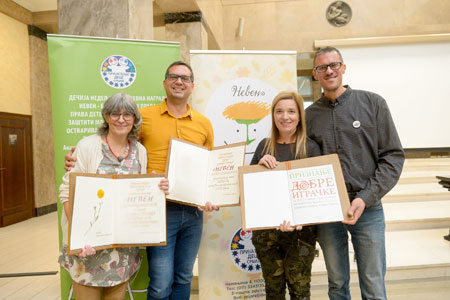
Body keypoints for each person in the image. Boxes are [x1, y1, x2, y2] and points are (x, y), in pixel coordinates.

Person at [65, 61, 217, 300]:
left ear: (192, 86)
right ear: (165, 83)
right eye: (173, 76)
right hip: (158, 209)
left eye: (185, 78)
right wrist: (74, 159)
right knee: (160, 281)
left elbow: (209, 167)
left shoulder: (204, 123)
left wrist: (211, 195)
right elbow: (111, 139)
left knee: (184, 276)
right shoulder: (143, 116)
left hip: (193, 212)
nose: (179, 81)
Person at [306, 46, 405, 300]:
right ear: (315, 74)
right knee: (337, 284)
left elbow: (392, 156)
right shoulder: (308, 117)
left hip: (368, 207)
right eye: (322, 67)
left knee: (373, 286)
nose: (329, 70)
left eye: (334, 65)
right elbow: (301, 163)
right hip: (327, 210)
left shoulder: (373, 103)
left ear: (343, 68)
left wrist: (364, 198)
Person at [58, 93, 169, 300]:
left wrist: (156, 187)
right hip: (88, 247)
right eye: (115, 113)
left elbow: (139, 192)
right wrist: (80, 236)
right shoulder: (88, 146)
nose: (121, 119)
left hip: (122, 247)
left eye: (127, 114)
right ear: (106, 117)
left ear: (135, 119)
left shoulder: (140, 151)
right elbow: (67, 191)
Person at [250, 91, 321, 300]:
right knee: (273, 291)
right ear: (273, 116)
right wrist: (259, 167)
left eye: (291, 111)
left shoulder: (311, 148)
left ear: (300, 116)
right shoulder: (263, 146)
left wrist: (301, 218)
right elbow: (250, 192)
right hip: (266, 234)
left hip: (301, 234)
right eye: (279, 111)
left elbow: (316, 194)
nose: (285, 116)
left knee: (300, 293)